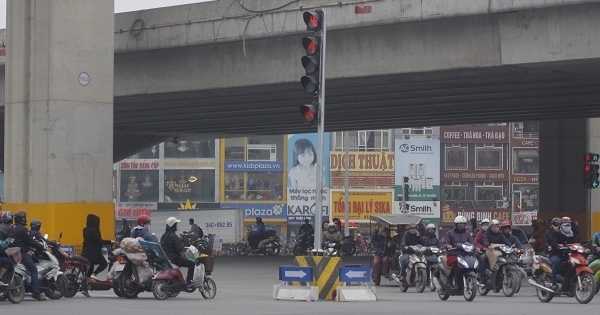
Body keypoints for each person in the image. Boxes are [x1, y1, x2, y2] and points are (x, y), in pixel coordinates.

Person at [9, 210, 46, 300]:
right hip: (20, 252)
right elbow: (29, 241)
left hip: (12, 252)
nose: (25, 219)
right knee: (33, 269)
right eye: (24, 217)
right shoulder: (22, 229)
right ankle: (36, 292)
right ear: (21, 219)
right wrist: (40, 246)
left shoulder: (12, 227)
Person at [160, 217, 196, 288]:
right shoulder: (173, 236)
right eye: (176, 224)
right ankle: (189, 282)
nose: (177, 226)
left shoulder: (164, 236)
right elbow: (180, 248)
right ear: (173, 225)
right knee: (191, 264)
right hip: (174, 258)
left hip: (166, 257)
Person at [441, 216, 473, 286]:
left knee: (472, 263)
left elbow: (471, 243)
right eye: (460, 224)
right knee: (456, 263)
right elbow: (445, 242)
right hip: (453, 254)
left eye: (463, 224)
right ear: (455, 224)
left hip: (465, 255)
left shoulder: (467, 234)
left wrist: (474, 247)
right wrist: (447, 245)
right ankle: (450, 279)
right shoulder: (450, 233)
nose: (462, 226)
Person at [547, 217, 576, 291]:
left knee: (573, 263)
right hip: (556, 254)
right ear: (561, 225)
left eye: (569, 224)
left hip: (567, 255)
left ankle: (568, 282)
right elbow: (554, 242)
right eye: (566, 225)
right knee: (556, 261)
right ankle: (554, 283)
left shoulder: (570, 234)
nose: (567, 226)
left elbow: (575, 242)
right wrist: (558, 245)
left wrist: (582, 246)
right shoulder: (555, 232)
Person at [479, 219, 511, 284]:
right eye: (494, 227)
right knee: (482, 258)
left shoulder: (500, 234)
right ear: (490, 227)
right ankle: (483, 277)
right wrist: (488, 245)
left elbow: (506, 241)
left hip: (499, 252)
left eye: (497, 227)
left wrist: (512, 247)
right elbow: (484, 241)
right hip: (489, 251)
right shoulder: (486, 233)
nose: (496, 228)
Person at [81, 214, 111, 282]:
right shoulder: (94, 230)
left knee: (89, 270)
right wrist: (109, 242)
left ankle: (85, 287)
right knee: (104, 264)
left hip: (85, 252)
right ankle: (95, 274)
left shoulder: (85, 230)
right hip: (93, 253)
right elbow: (99, 241)